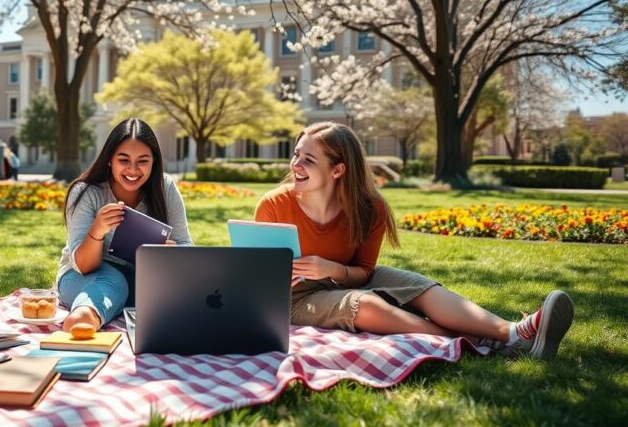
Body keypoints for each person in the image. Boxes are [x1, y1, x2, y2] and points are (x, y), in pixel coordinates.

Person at [255, 121, 574, 359]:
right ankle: (477, 341)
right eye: (296, 155)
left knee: (420, 287)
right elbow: (257, 282)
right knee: (363, 304)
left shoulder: (371, 208)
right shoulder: (274, 205)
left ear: (338, 169)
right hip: (296, 298)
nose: (295, 165)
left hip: (344, 275)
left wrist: (331, 269)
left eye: (308, 160)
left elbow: (364, 270)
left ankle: (513, 332)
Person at [58, 118, 192, 332]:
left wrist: (171, 254)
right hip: (84, 276)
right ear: (109, 160)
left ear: (154, 162)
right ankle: (83, 321)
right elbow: (83, 266)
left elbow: (188, 249)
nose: (133, 169)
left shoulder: (165, 188)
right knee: (114, 280)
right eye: (124, 160)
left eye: (142, 161)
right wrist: (97, 231)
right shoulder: (86, 192)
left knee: (181, 289)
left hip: (145, 275)